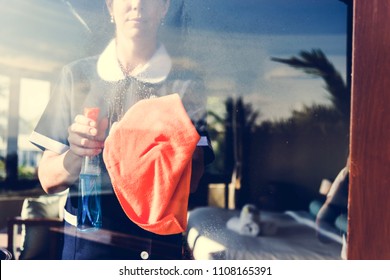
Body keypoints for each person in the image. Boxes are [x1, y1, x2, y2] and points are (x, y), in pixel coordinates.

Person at [29, 0, 213, 260]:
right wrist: (77, 154)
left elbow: (193, 183)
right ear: (110, 7)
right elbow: (48, 180)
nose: (137, 5)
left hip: (154, 248)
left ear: (163, 8)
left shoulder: (186, 84)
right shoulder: (76, 75)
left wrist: (178, 145)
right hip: (87, 250)